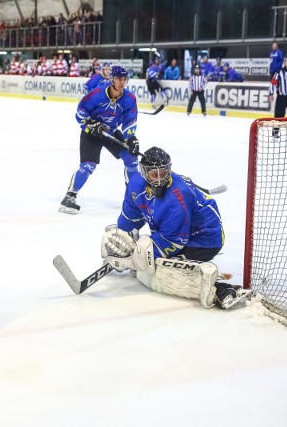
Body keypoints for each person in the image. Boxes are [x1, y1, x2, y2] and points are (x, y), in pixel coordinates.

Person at [100, 146, 244, 309]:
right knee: (146, 260)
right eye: (155, 174)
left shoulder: (176, 200)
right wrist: (122, 241)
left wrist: (134, 258)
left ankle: (219, 289)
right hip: (178, 230)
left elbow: (174, 240)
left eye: (164, 173)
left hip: (204, 238)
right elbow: (130, 218)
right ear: (144, 172)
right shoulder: (135, 186)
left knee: (158, 269)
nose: (160, 179)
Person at [59, 65, 139, 214]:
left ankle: (132, 197)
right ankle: (69, 197)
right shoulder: (96, 94)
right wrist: (90, 123)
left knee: (132, 158)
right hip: (92, 134)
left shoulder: (129, 99)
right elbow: (80, 112)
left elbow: (130, 122)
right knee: (88, 166)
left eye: (124, 79)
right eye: (118, 79)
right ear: (111, 79)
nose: (122, 82)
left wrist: (131, 138)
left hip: (111, 132)